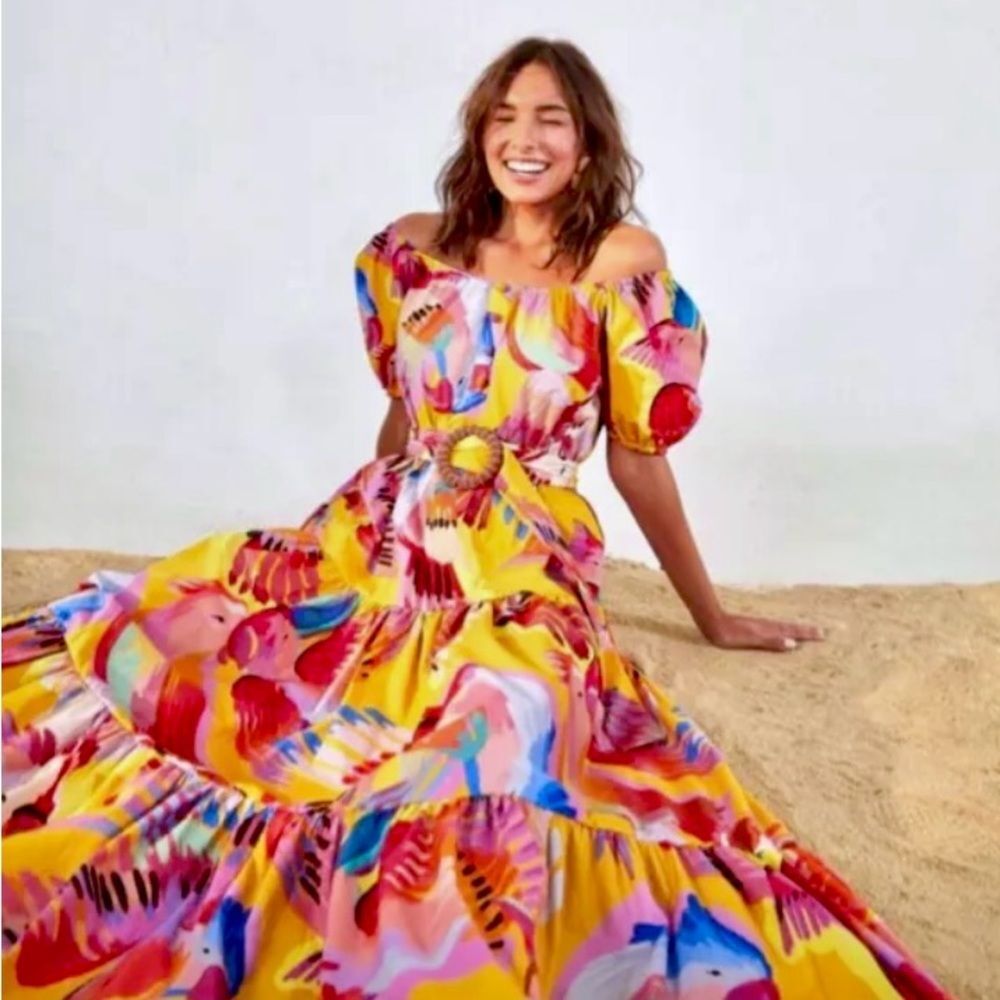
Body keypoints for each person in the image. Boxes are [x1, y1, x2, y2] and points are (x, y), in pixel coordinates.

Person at [0, 35, 952, 1000]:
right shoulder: (413, 251)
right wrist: (335, 543)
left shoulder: (620, 262)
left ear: (588, 140)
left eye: (550, 119)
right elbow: (403, 421)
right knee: (194, 646)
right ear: (477, 133)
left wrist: (711, 614)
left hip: (525, 546)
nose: (524, 140)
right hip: (390, 522)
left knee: (511, 710)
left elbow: (637, 455)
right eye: (504, 118)